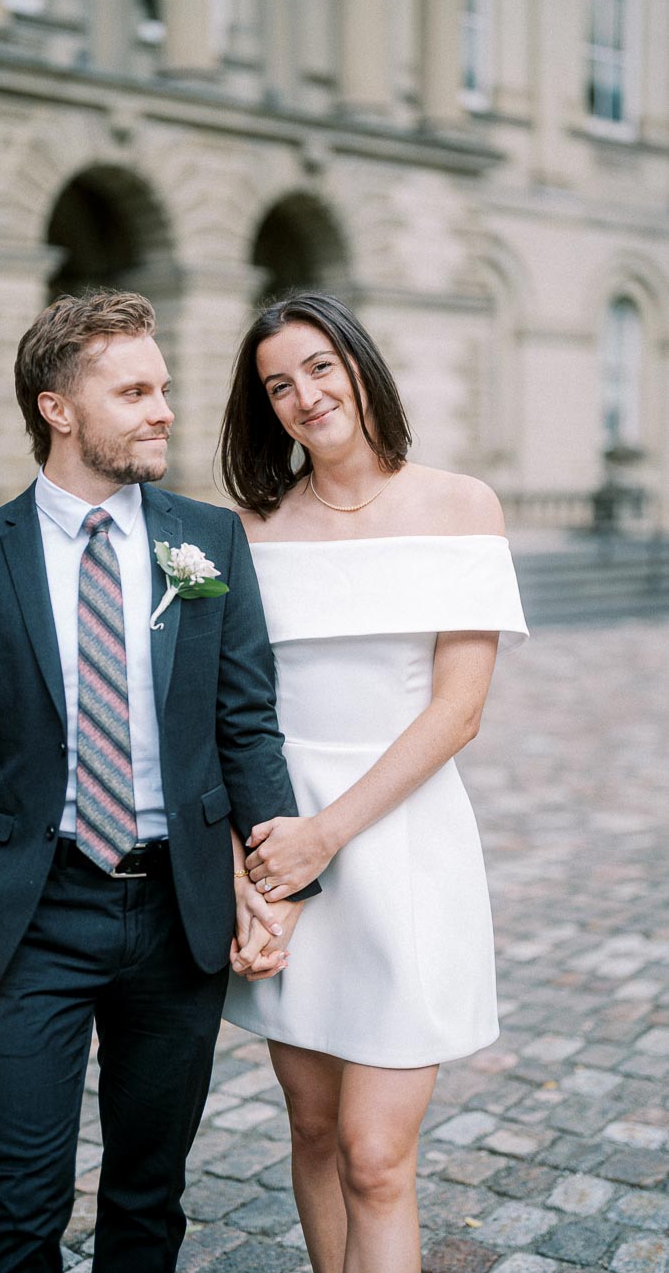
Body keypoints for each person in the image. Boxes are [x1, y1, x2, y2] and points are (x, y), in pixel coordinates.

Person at [0, 289, 317, 1273]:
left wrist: (276, 879)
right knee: (15, 1203)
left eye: (164, 387)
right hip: (31, 917)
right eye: (134, 392)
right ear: (59, 409)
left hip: (180, 920)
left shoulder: (204, 543)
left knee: (148, 1194)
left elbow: (244, 717)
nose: (165, 410)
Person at [219, 292, 528, 1273]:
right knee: (312, 1131)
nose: (304, 396)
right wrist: (256, 865)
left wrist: (328, 835)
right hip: (283, 851)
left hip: (401, 849)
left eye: (318, 367)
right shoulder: (248, 528)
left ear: (359, 364)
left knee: (377, 1155)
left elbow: (458, 712)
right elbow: (226, 713)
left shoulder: (460, 504)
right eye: (278, 385)